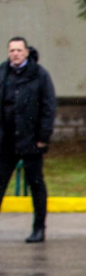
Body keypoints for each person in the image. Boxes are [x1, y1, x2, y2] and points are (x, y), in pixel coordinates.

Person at [0, 37, 56, 243]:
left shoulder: (39, 74)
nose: (15, 53)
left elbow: (48, 107)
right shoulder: (3, 72)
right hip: (6, 141)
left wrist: (43, 137)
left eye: (19, 50)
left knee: (36, 184)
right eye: (12, 50)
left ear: (26, 52)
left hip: (31, 140)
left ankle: (39, 228)